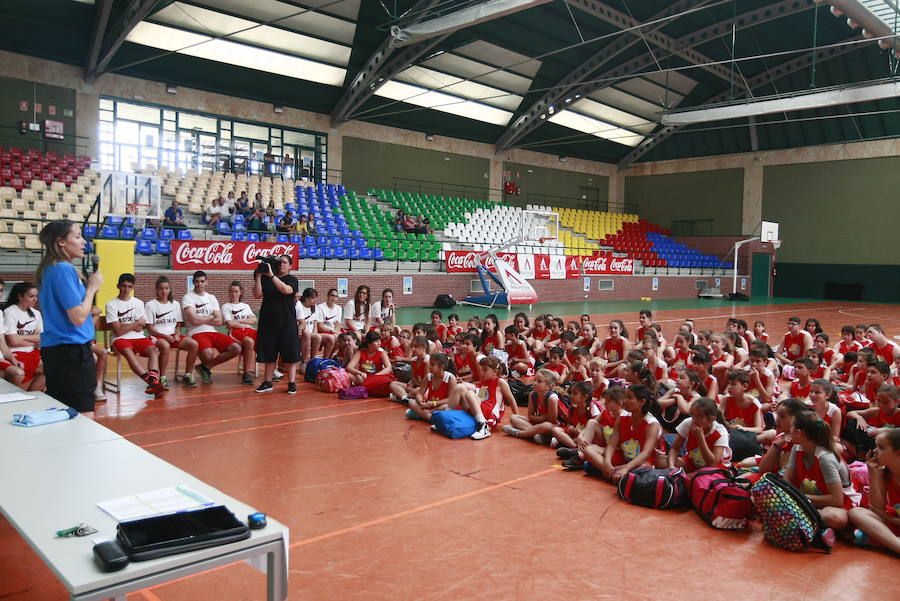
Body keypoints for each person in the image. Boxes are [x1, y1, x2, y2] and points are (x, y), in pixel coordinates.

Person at [36, 220, 103, 413]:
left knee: (64, 413)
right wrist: (91, 288)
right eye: (77, 236)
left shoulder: (51, 268)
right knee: (83, 415)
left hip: (60, 351)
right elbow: (77, 317)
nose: (83, 242)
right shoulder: (63, 269)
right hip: (70, 353)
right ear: (61, 242)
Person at [784, 410, 855, 529]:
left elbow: (837, 500)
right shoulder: (797, 448)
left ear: (799, 433)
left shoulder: (825, 458)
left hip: (839, 505)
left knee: (833, 517)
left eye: (792, 427)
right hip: (811, 501)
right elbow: (787, 479)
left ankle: (799, 519)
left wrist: (798, 498)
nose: (789, 430)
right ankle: (808, 523)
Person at [105, 273, 166, 397]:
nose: (126, 289)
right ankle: (152, 382)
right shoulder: (111, 305)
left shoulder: (138, 303)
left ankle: (153, 383)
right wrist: (136, 323)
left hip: (138, 337)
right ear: (118, 286)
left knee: (154, 350)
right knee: (129, 353)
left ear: (133, 287)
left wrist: (128, 326)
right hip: (119, 339)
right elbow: (118, 331)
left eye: (129, 286)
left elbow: (140, 328)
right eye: (124, 286)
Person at [182, 271, 241, 384]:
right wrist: (210, 317)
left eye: (202, 281)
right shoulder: (188, 297)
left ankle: (205, 367)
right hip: (195, 332)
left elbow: (219, 321)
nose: (200, 284)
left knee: (236, 348)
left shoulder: (211, 298)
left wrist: (201, 319)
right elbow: (193, 320)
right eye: (197, 281)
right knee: (208, 354)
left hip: (212, 331)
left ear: (207, 282)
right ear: (193, 282)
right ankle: (206, 368)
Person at [253, 255, 300, 394]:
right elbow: (257, 294)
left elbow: (285, 290)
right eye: (279, 262)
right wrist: (258, 276)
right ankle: (268, 382)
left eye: (285, 262)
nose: (281, 265)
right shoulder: (266, 278)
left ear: (290, 266)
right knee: (269, 353)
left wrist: (272, 275)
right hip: (268, 322)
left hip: (287, 322)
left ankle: (291, 383)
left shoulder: (292, 280)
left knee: (290, 354)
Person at [848, 428, 900, 554]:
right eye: (876, 446)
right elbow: (877, 507)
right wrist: (873, 473)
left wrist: (887, 516)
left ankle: (886, 542)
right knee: (856, 512)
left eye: (881, 448)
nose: (875, 451)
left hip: (895, 521)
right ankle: (896, 545)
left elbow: (882, 512)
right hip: (894, 523)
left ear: (898, 453)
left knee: (854, 533)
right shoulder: (886, 473)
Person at [145, 276, 199, 386]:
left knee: (194, 344)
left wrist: (178, 333)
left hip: (172, 335)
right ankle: (162, 378)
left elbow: (178, 324)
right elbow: (150, 329)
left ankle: (188, 375)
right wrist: (165, 336)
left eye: (166, 288)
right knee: (165, 346)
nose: (164, 291)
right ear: (156, 290)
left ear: (170, 290)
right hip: (157, 337)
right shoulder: (150, 305)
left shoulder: (175, 304)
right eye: (161, 288)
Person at [666, 397, 731, 473]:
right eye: (693, 414)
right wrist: (671, 466)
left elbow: (712, 464)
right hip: (692, 461)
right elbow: (674, 449)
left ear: (712, 419)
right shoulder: (688, 422)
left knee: (691, 477)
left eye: (700, 416)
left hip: (712, 470)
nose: (694, 419)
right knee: (661, 460)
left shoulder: (721, 433)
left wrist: (701, 438)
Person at [2, 282, 46, 392]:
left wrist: (20, 338)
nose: (35, 299)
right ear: (20, 296)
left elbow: (42, 338)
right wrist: (33, 339)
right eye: (31, 296)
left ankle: (32, 395)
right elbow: (12, 342)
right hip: (17, 352)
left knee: (53, 363)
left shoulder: (36, 313)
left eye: (36, 296)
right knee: (50, 365)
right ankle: (25, 395)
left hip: (33, 351)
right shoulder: (10, 312)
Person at [222, 281, 258, 385]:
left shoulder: (245, 306)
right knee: (249, 341)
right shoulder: (226, 306)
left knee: (266, 337)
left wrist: (238, 321)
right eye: (231, 292)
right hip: (235, 331)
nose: (233, 294)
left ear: (240, 292)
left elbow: (254, 319)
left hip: (248, 329)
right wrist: (244, 322)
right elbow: (229, 324)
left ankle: (272, 370)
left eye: (236, 291)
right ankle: (246, 374)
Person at [295, 287, 320, 366]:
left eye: (316, 297)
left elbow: (315, 325)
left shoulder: (315, 307)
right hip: (299, 332)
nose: (315, 300)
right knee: (307, 334)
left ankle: (312, 361)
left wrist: (315, 333)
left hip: (309, 332)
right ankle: (304, 362)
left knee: (317, 336)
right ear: (306, 298)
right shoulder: (298, 305)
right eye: (313, 298)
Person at [314, 288, 341, 360]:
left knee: (341, 338)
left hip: (332, 332)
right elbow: (320, 326)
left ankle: (329, 358)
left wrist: (336, 333)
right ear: (328, 296)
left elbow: (337, 326)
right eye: (332, 295)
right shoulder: (320, 307)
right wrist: (333, 331)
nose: (333, 298)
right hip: (322, 332)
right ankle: (325, 359)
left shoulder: (339, 308)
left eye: (336, 296)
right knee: (332, 338)